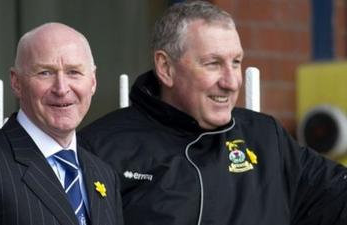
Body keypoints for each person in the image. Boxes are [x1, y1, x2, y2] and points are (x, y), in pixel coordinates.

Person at [79, 1, 347, 225]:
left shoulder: (265, 137)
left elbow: (336, 195)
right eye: (213, 64)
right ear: (166, 68)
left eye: (236, 62)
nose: (231, 81)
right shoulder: (100, 150)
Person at [0, 22, 124, 225]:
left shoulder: (104, 173)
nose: (61, 88)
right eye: (45, 73)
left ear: (92, 82)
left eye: (73, 72)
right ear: (16, 83)